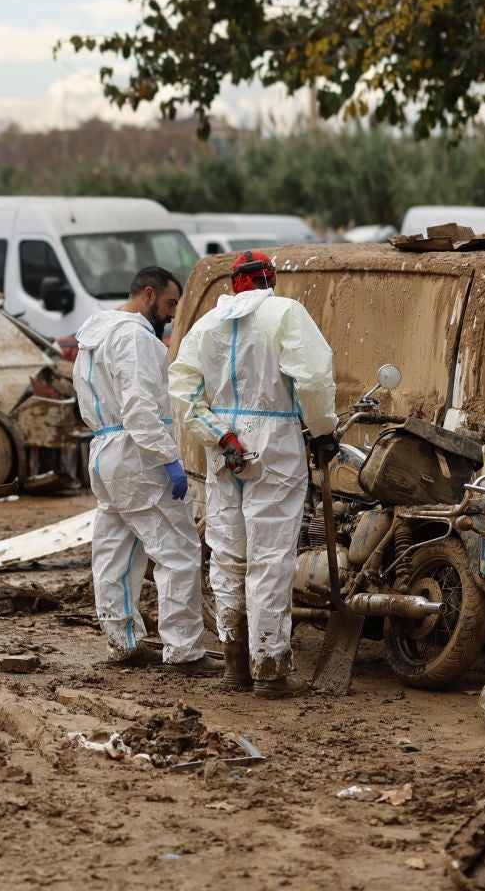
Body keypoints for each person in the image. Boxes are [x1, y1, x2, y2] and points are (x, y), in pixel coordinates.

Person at [169, 250, 336, 697]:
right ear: (270, 281)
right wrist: (322, 430)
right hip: (276, 441)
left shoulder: (206, 326)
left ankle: (234, 666)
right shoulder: (285, 314)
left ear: (234, 284)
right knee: (269, 559)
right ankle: (270, 669)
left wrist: (220, 436)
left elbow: (182, 393)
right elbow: (314, 378)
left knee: (228, 555)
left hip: (227, 448)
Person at [75, 265, 218, 676]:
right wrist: (167, 458)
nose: (174, 313)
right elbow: (139, 407)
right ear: (149, 295)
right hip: (137, 454)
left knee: (115, 551)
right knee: (179, 553)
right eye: (171, 303)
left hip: (105, 450)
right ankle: (185, 651)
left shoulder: (93, 334)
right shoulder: (134, 338)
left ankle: (123, 642)